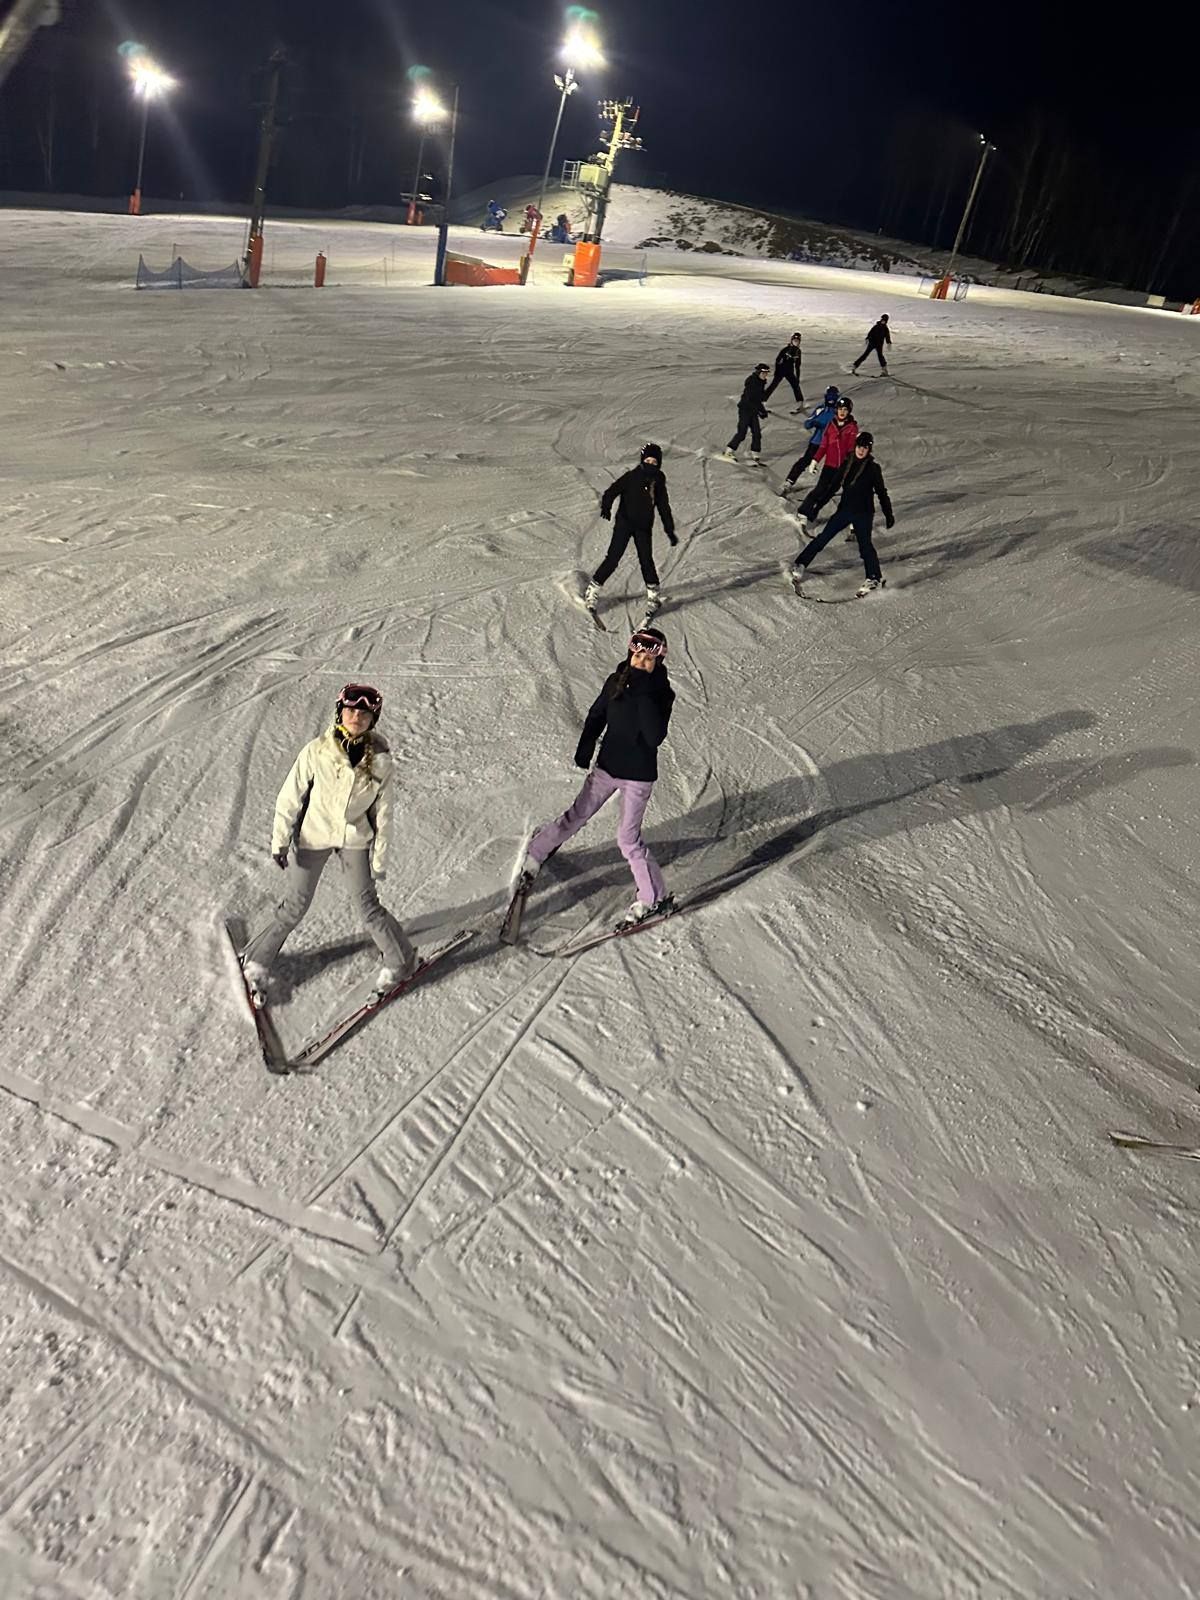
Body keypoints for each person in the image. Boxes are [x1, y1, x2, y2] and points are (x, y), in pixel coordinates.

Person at [239, 684, 416, 1006]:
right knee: (295, 905)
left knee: (368, 908)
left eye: (364, 713)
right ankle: (256, 961)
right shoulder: (317, 751)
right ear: (340, 713)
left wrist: (379, 860)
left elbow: (384, 814)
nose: (356, 717)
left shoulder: (381, 762)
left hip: (354, 839)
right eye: (351, 710)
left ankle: (400, 963)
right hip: (314, 835)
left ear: (373, 719)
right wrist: (280, 840)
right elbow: (289, 796)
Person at [519, 629, 675, 927]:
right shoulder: (616, 681)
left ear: (659, 661)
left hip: (638, 776)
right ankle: (536, 852)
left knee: (628, 839)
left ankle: (652, 897)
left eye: (648, 659)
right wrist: (585, 746)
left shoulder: (661, 694)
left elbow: (654, 736)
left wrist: (642, 692)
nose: (641, 662)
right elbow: (597, 714)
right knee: (576, 815)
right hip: (607, 767)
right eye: (637, 656)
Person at [792, 432, 894, 598]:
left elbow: (882, 493)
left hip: (864, 514)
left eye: (865, 447)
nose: (861, 450)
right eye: (859, 446)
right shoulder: (847, 463)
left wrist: (888, 514)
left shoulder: (873, 469)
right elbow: (833, 486)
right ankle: (800, 563)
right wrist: (818, 506)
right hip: (844, 511)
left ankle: (874, 577)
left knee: (865, 546)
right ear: (855, 446)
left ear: (869, 449)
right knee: (823, 537)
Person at [583, 443, 677, 620]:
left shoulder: (658, 480)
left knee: (646, 560)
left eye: (654, 462)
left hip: (643, 527)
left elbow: (663, 506)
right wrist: (606, 507)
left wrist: (669, 530)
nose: (650, 464)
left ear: (659, 464)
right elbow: (611, 491)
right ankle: (592, 590)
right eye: (647, 461)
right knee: (613, 558)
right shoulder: (632, 476)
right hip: (624, 524)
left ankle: (654, 597)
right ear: (642, 460)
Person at [795, 396, 859, 530]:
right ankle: (803, 512)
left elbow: (851, 449)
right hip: (830, 465)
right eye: (840, 409)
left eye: (845, 410)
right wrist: (815, 460)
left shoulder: (852, 427)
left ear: (849, 411)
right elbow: (823, 445)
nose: (842, 412)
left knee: (831, 491)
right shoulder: (831, 425)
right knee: (820, 488)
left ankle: (814, 512)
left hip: (843, 467)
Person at [780, 385, 840, 491]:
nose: (831, 399)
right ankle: (790, 480)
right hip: (818, 441)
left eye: (833, 397)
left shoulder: (839, 411)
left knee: (835, 464)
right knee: (806, 460)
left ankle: (834, 485)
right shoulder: (820, 409)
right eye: (829, 396)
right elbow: (808, 423)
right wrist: (813, 422)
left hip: (832, 443)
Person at [719, 363, 771, 464]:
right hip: (745, 410)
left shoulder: (761, 382)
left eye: (767, 373)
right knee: (742, 432)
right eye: (764, 373)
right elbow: (751, 399)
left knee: (757, 433)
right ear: (759, 372)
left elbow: (758, 399)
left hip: (753, 411)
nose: (765, 375)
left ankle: (755, 452)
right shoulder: (752, 382)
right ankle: (729, 451)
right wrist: (761, 410)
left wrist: (761, 411)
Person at [764, 332, 804, 409]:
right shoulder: (786, 349)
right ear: (791, 341)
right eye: (794, 340)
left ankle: (800, 402)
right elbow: (777, 360)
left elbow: (797, 365)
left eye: (797, 341)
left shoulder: (798, 351)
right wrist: (777, 371)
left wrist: (797, 377)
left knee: (796, 386)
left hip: (789, 372)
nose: (796, 342)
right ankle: (762, 401)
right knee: (773, 385)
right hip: (781, 371)